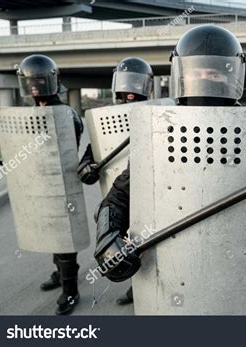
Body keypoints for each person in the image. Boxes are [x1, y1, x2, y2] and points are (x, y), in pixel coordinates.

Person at [92, 24, 246, 291]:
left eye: (213, 73)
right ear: (182, 74)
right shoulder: (159, 131)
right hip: (172, 261)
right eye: (196, 72)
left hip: (236, 263)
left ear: (230, 75)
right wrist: (108, 237)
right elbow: (119, 194)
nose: (204, 79)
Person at [77, 57, 153, 306]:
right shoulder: (105, 119)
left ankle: (139, 291)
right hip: (120, 193)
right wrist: (86, 167)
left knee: (149, 246)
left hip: (152, 193)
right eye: (125, 82)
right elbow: (91, 154)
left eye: (135, 82)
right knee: (122, 244)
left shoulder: (161, 114)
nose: (130, 89)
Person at [17, 54, 84, 315]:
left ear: (50, 82)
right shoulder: (33, 113)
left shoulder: (66, 113)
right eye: (31, 82)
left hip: (63, 182)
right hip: (40, 183)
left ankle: (71, 291)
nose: (35, 87)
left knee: (64, 237)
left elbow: (68, 148)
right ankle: (59, 273)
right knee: (49, 233)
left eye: (39, 81)